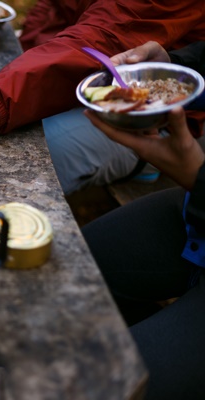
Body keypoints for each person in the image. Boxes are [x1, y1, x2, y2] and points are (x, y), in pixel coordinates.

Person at [0, 0, 205, 192]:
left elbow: (109, 33)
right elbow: (56, 9)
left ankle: (143, 163)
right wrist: (26, 56)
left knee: (12, 177)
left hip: (152, 115)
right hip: (85, 71)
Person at [81, 41, 205, 399]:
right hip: (195, 211)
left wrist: (198, 175)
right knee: (69, 273)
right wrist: (178, 65)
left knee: (103, 382)